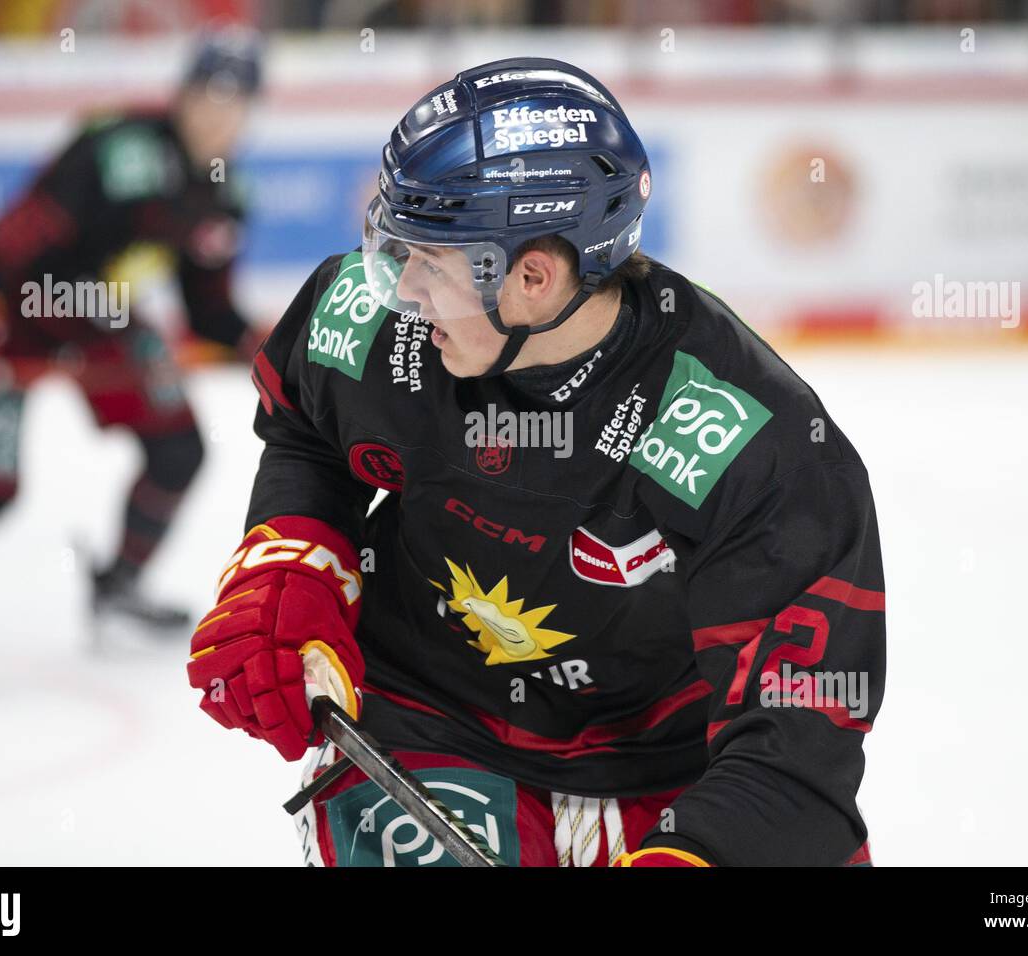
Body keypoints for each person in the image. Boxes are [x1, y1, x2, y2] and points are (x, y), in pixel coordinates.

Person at [187, 58, 886, 866]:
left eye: (432, 260)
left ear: (533, 276)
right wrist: (295, 561)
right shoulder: (376, 323)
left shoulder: (744, 438)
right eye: (396, 246)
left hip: (678, 775)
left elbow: (798, 734)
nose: (402, 289)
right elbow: (307, 427)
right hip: (427, 721)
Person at [0, 30, 266, 629]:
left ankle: (121, 585)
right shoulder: (117, 148)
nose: (222, 118)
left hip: (98, 323)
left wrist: (267, 347)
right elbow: (13, 242)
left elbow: (207, 309)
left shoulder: (225, 195)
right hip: (17, 315)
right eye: (212, 97)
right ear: (183, 94)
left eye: (238, 104)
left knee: (179, 447)